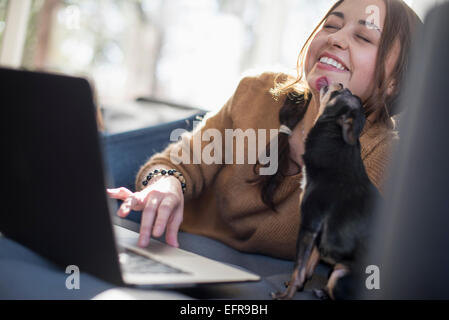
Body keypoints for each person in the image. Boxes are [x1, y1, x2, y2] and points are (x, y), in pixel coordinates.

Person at [107, 0, 422, 261]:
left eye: (364, 37)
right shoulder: (258, 92)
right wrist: (166, 184)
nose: (336, 39)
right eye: (331, 25)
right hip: (180, 232)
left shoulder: (386, 159)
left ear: (395, 80)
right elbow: (180, 161)